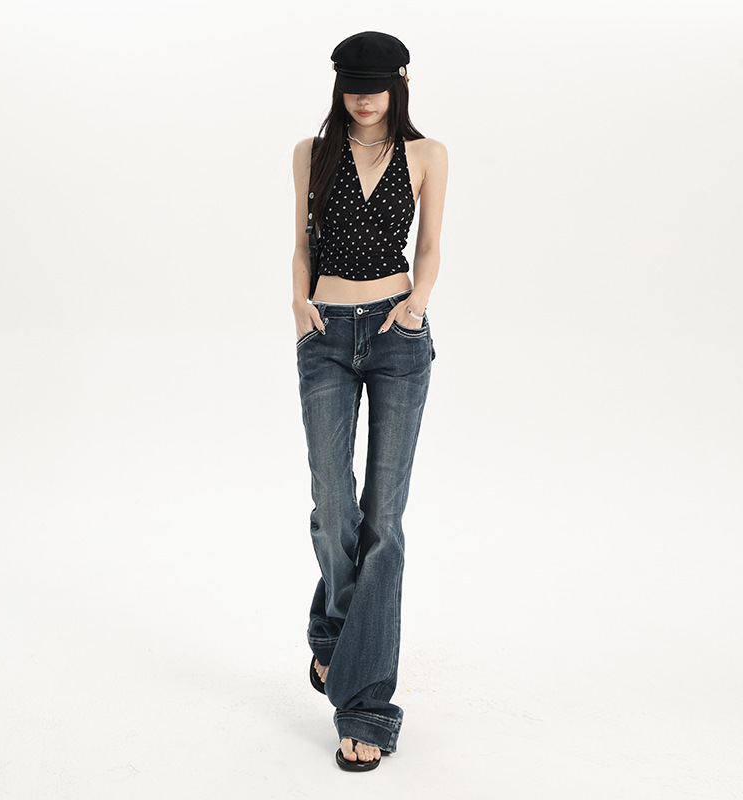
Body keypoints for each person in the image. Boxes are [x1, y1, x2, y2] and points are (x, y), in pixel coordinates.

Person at [291, 31, 448, 772]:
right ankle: (336, 631)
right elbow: (302, 243)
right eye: (352, 85)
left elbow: (431, 247)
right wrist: (298, 304)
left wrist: (416, 306)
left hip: (395, 335)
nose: (363, 97)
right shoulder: (311, 152)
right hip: (325, 332)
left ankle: (365, 708)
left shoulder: (427, 154)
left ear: (399, 83)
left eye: (375, 85)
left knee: (384, 520)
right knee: (332, 503)